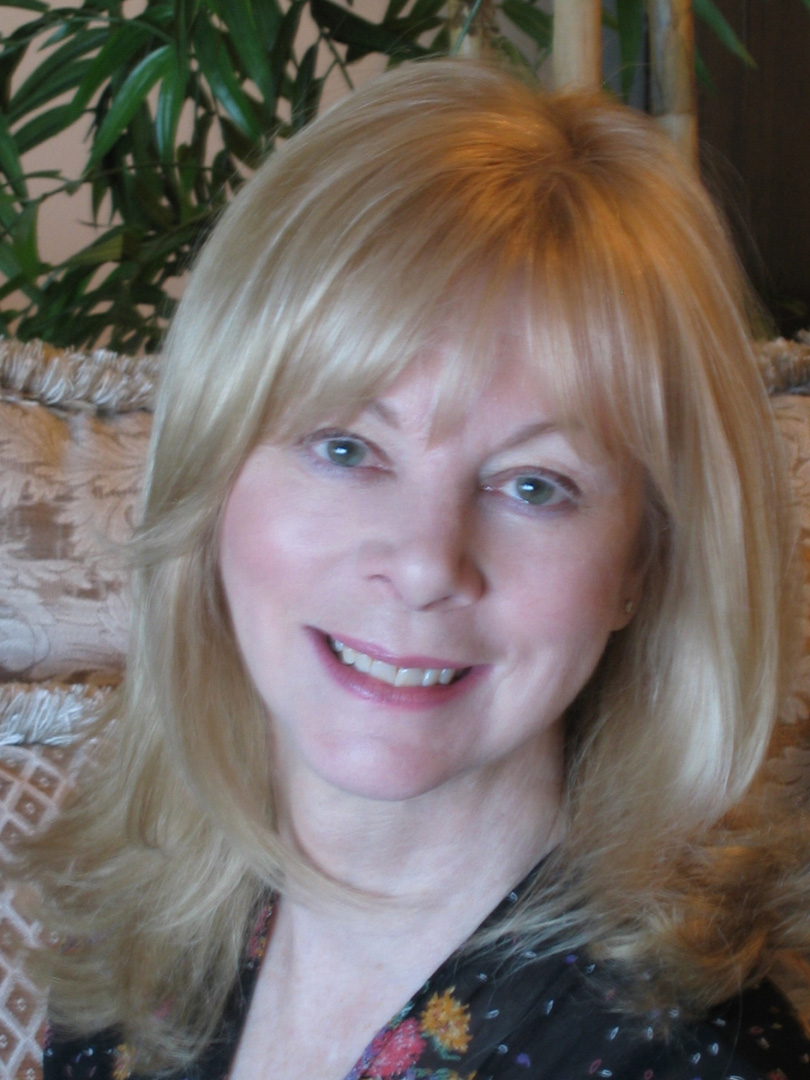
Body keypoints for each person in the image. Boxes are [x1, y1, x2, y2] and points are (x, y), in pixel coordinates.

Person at [23, 60, 810, 1080]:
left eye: (534, 485)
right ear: (211, 476)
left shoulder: (696, 1062)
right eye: (346, 448)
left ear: (644, 564)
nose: (427, 564)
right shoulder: (138, 932)